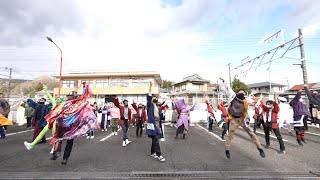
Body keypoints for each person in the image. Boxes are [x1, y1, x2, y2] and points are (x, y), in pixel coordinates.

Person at [219, 78, 265, 159]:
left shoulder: (246, 99)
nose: (242, 94)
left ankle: (260, 148)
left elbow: (256, 104)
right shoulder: (233, 96)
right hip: (234, 119)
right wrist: (224, 81)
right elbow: (228, 88)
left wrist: (260, 99)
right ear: (237, 93)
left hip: (243, 119)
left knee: (251, 133)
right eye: (241, 92)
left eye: (243, 93)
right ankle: (227, 149)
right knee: (230, 135)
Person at [146, 81, 165, 162]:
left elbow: (159, 115)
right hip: (152, 123)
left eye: (155, 97)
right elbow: (149, 95)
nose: (154, 98)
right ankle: (159, 155)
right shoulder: (149, 105)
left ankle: (152, 152)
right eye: (153, 97)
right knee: (156, 139)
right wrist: (150, 86)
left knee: (155, 139)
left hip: (157, 123)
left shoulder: (157, 106)